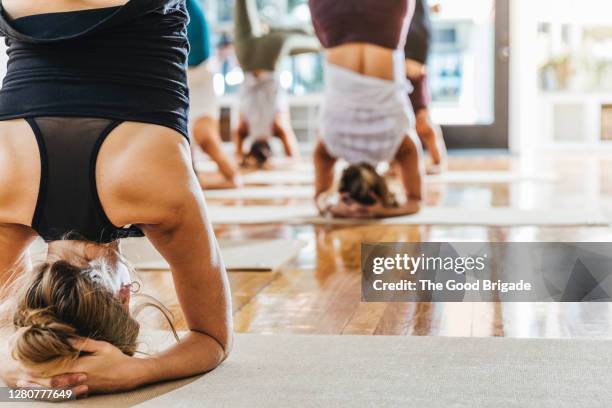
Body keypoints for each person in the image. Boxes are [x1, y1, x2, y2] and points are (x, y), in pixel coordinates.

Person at [0, 0, 232, 398]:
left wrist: (140, 371)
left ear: (125, 297)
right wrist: (12, 360)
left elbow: (212, 338)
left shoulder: (162, 198)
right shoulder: (6, 199)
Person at [309, 0, 424, 218]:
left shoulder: (398, 144)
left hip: (385, 25)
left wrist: (381, 210)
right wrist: (330, 205)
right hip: (335, 24)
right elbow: (320, 197)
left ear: (382, 188)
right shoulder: (330, 145)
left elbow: (415, 202)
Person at [234, 0, 319, 167]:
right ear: (250, 148)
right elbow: (236, 157)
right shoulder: (244, 130)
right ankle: (269, 29)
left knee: (317, 42)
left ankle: (271, 29)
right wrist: (244, 158)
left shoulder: (277, 127)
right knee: (242, 4)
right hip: (246, 58)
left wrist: (271, 164)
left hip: (269, 59)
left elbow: (295, 158)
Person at [186, 0, 241, 187]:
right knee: (189, 139)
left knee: (205, 136)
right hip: (177, 74)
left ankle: (230, 176)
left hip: (197, 73)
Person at [405, 0, 447, 174]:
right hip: (400, 63)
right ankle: (396, 165)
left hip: (413, 63)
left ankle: (438, 161)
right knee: (400, 121)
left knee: (422, 120)